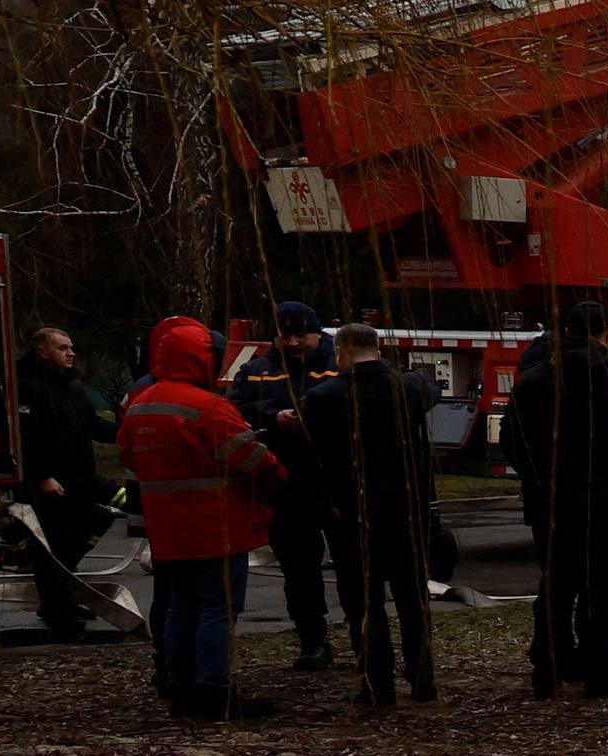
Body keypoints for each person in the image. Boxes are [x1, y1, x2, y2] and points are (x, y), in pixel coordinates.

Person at [117, 316, 284, 719]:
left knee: (179, 607)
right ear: (201, 358)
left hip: (168, 530)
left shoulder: (140, 405)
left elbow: (127, 457)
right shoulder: (208, 407)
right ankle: (214, 689)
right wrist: (281, 478)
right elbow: (254, 461)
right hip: (215, 526)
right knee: (217, 610)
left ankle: (180, 685)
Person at [501, 297, 608, 695]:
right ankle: (596, 668)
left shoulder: (535, 382)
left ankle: (549, 664)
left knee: (555, 583)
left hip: (551, 502)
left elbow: (511, 441)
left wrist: (538, 480)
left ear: (567, 333)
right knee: (601, 587)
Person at [299, 324, 439, 704]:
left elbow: (314, 457)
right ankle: (422, 677)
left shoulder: (323, 398)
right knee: (412, 597)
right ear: (376, 348)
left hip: (351, 510)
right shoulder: (408, 389)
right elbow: (432, 389)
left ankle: (377, 682)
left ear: (340, 351)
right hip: (405, 509)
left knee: (363, 601)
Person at [230, 300, 341, 669]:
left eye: (300, 335)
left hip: (335, 480)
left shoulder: (339, 367)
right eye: (285, 335)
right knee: (298, 568)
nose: (292, 343)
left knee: (353, 563)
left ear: (317, 333)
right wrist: (273, 417)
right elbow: (237, 409)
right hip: (285, 484)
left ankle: (364, 635)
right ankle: (313, 639)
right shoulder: (258, 371)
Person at [12, 325, 113, 641]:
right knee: (51, 546)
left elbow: (91, 424)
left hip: (79, 478)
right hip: (51, 483)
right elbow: (26, 437)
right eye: (62, 347)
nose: (71, 353)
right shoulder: (26, 387)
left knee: (91, 525)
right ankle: (59, 608)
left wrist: (125, 433)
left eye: (71, 347)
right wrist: (42, 476)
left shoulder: (70, 388)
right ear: (42, 351)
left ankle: (61, 597)